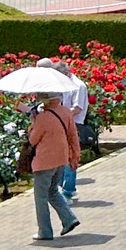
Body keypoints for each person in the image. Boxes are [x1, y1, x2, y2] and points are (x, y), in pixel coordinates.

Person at [24, 90, 81, 241]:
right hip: (61, 158)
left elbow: (32, 140)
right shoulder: (66, 112)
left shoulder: (42, 118)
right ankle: (69, 219)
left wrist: (33, 123)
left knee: (41, 197)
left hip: (44, 161)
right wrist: (75, 156)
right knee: (53, 191)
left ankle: (45, 231)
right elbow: (73, 136)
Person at [40, 57, 90, 199]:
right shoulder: (63, 85)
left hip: (73, 124)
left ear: (66, 73)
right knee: (60, 157)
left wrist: (60, 115)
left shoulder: (78, 86)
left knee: (70, 157)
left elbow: (77, 108)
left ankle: (68, 191)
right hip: (60, 123)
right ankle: (65, 187)